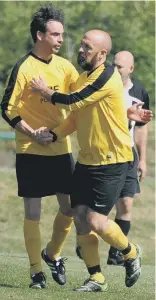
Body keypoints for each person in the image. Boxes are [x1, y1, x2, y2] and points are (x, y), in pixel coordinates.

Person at [30, 29, 152, 292]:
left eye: (87, 47)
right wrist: (54, 134)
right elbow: (75, 119)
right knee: (80, 218)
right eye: (82, 45)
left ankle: (130, 253)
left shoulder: (107, 77)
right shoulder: (86, 76)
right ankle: (96, 277)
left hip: (112, 161)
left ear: (102, 53)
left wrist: (45, 92)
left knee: (96, 220)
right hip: (87, 160)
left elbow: (72, 102)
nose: (81, 50)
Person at [0, 4, 79, 289]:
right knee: (32, 213)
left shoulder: (65, 67)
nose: (60, 39)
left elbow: (80, 98)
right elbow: (7, 109)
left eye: (61, 34)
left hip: (60, 149)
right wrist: (33, 133)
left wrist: (55, 132)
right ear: (39, 35)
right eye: (55, 34)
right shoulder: (23, 67)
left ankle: (52, 254)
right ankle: (36, 272)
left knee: (70, 208)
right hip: (30, 149)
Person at [106, 51, 150, 265]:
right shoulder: (105, 87)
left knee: (126, 204)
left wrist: (142, 159)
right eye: (113, 65)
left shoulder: (140, 92)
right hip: (104, 152)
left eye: (120, 67)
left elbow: (141, 129)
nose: (115, 70)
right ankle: (83, 244)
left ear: (131, 69)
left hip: (128, 154)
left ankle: (116, 254)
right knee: (97, 208)